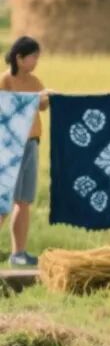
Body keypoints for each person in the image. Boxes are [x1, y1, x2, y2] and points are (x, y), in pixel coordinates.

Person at [0, 36, 48, 267]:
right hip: (9, 146)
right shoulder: (5, 81)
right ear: (19, 58)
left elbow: (42, 104)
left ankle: (19, 253)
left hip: (31, 143)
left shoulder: (34, 81)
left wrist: (47, 97)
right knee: (2, 200)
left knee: (24, 200)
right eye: (33, 57)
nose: (36, 61)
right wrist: (31, 100)